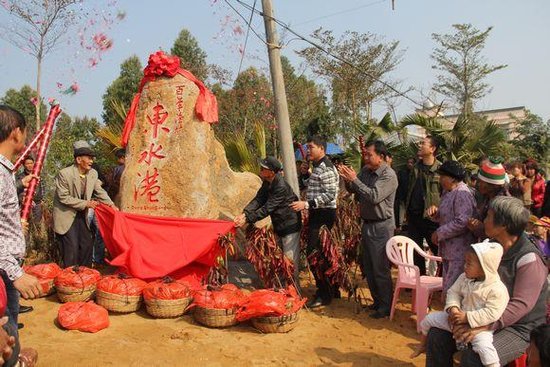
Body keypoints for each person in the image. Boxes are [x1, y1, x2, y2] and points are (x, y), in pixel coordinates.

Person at [425, 196, 548, 367]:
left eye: (489, 216)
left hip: (518, 327)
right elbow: (466, 282)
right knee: (437, 336)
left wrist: (484, 325)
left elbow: (520, 306)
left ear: (503, 225)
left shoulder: (529, 259)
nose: (484, 220)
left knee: (475, 357)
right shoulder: (489, 246)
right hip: (479, 313)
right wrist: (458, 312)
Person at [413, 241, 509, 367]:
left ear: (485, 267)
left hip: (479, 329)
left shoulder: (497, 289)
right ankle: (422, 345)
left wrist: (467, 317)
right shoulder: (464, 277)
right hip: (455, 320)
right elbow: (453, 292)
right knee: (428, 320)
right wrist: (453, 308)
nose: (464, 266)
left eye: (469, 263)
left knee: (484, 349)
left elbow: (492, 313)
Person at [338, 140, 398, 319]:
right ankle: (377, 301)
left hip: (382, 226)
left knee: (380, 267)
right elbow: (356, 190)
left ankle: (385, 306)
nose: (366, 157)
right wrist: (347, 179)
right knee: (369, 266)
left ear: (380, 157)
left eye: (369, 154)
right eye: (365, 154)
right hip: (368, 224)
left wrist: (354, 180)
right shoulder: (366, 171)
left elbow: (374, 196)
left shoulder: (389, 175)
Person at [0, 105, 40, 367]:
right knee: (7, 330)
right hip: (4, 272)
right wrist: (15, 273)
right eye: (24, 132)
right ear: (16, 132)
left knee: (9, 323)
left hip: (6, 267)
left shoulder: (6, 173)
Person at [234, 156, 302, 288]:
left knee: (289, 261)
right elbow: (259, 199)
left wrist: (248, 219)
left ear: (272, 172)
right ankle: (283, 290)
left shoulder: (280, 186)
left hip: (289, 226)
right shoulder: (267, 182)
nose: (260, 169)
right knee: (279, 259)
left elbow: (267, 208)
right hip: (279, 225)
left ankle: (294, 293)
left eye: (263, 168)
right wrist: (245, 213)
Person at [291, 135, 339, 308]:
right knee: (323, 255)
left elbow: (329, 195)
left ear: (322, 149)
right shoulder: (318, 167)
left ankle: (324, 293)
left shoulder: (326, 167)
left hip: (323, 214)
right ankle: (332, 289)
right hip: (318, 213)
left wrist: (307, 204)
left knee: (315, 254)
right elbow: (314, 187)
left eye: (311, 147)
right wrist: (305, 175)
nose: (309, 150)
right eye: (308, 147)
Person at [53, 140, 114, 268]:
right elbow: (63, 197)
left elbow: (99, 191)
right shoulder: (64, 174)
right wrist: (86, 203)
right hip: (66, 215)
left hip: (82, 214)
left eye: (92, 158)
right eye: (89, 158)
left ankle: (85, 276)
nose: (92, 161)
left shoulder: (93, 173)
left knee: (87, 244)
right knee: (72, 247)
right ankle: (70, 279)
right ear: (79, 159)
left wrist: (112, 205)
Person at [426, 160, 477, 292]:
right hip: (449, 250)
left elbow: (463, 221)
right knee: (448, 286)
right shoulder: (448, 192)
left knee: (453, 290)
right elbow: (448, 215)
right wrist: (435, 213)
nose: (440, 179)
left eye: (443, 176)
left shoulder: (462, 193)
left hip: (459, 251)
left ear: (453, 178)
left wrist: (439, 232)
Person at [405, 136, 441, 275]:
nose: (420, 146)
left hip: (431, 218)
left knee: (438, 251)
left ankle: (442, 283)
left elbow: (446, 194)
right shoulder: (414, 169)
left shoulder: (441, 170)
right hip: (414, 216)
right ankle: (419, 283)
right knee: (416, 253)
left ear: (432, 149)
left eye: (423, 144)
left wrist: (439, 208)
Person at [468, 157, 510, 240]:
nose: (478, 184)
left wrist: (481, 228)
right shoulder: (487, 197)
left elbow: (500, 235)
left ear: (493, 185)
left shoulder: (502, 204)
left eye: (481, 182)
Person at [15, 156, 44, 227]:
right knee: (25, 224)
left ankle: (37, 238)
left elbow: (43, 188)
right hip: (25, 205)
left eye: (31, 163)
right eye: (27, 163)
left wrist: (42, 199)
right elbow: (18, 191)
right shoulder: (20, 177)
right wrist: (22, 199)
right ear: (24, 165)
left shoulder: (38, 175)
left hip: (37, 204)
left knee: (37, 225)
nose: (30, 165)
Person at [395, 158, 415, 230]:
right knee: (401, 211)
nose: (409, 164)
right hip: (402, 197)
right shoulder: (402, 173)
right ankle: (399, 226)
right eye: (408, 162)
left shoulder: (416, 174)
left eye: (411, 163)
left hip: (412, 199)